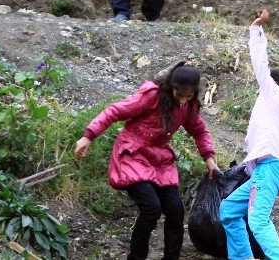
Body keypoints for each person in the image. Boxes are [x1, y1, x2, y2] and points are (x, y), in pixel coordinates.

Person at [74, 62, 217, 260]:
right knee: (151, 208)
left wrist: (209, 158)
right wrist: (88, 136)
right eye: (180, 95)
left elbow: (199, 131)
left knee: (175, 210)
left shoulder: (188, 107)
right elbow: (115, 111)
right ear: (171, 86)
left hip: (159, 159)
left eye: (189, 96)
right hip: (133, 153)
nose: (184, 100)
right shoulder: (152, 97)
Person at [219, 9, 279, 260]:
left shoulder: (271, 94)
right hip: (275, 170)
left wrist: (256, 29)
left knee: (258, 221)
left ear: (270, 85)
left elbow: (259, 63)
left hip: (268, 169)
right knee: (229, 210)